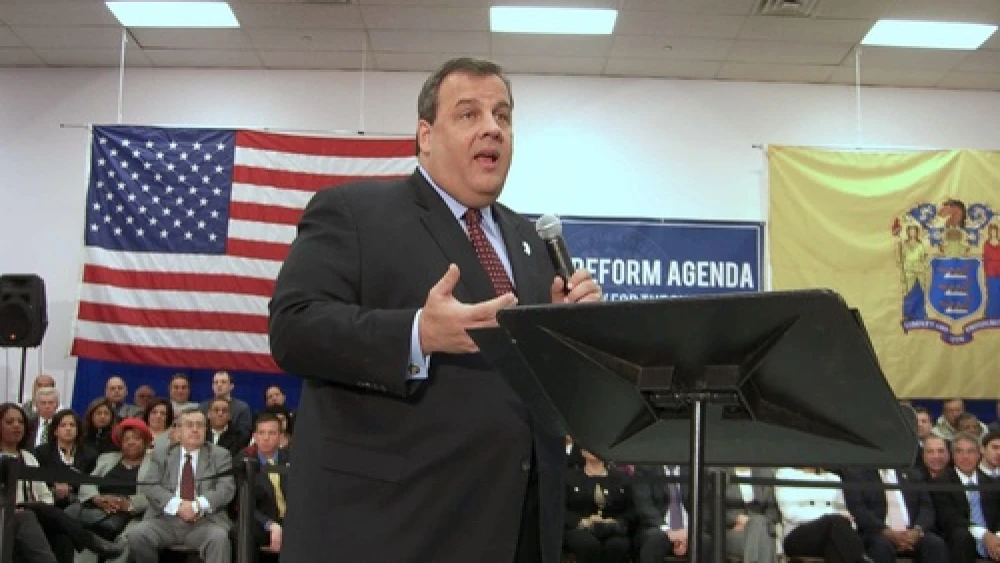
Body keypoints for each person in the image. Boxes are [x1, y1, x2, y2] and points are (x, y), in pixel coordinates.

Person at [268, 56, 601, 563]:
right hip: (396, 528)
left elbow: (534, 389)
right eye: (469, 114)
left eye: (503, 115)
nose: (492, 127)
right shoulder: (355, 213)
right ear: (425, 136)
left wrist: (560, 332)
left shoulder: (530, 240)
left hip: (521, 529)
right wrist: (418, 334)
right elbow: (293, 328)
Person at [127, 408, 235, 563]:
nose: (195, 429)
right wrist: (178, 505)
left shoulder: (220, 455)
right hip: (165, 520)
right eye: (189, 425)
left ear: (206, 430)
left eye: (200, 425)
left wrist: (197, 505)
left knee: (219, 538)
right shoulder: (162, 453)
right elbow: (151, 486)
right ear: (179, 429)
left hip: (205, 521)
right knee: (137, 535)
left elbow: (226, 489)